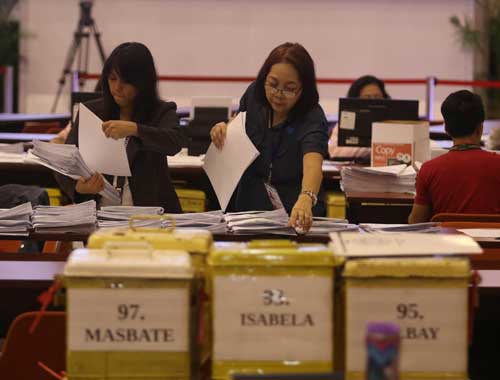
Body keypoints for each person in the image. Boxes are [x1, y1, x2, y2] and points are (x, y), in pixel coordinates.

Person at [210, 42, 329, 232]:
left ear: (303, 89)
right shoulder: (254, 96)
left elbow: (313, 164)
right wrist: (223, 128)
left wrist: (306, 197)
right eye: (272, 84)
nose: (278, 94)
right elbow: (238, 124)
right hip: (247, 212)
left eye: (290, 88)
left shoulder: (312, 117)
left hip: (294, 215)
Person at [57, 42, 187, 212]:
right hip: (99, 214)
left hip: (151, 217)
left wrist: (135, 129)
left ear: (143, 83)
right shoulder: (91, 111)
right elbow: (65, 161)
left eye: (126, 81)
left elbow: (174, 141)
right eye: (112, 79)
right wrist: (78, 187)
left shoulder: (161, 111)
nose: (117, 87)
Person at [409, 90, 500, 223]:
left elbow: (415, 222)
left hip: (446, 243)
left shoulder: (428, 170)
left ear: (446, 129)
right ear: (480, 128)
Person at [328, 75, 390, 160]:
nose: (373, 102)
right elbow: (335, 152)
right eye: (367, 98)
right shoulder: (346, 120)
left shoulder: (393, 122)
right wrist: (376, 149)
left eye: (377, 97)